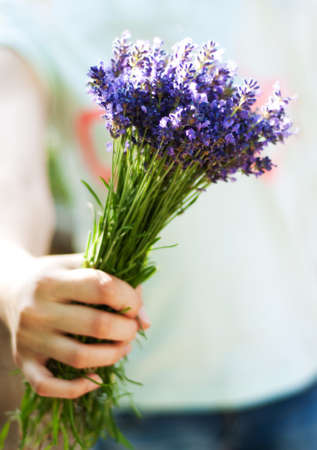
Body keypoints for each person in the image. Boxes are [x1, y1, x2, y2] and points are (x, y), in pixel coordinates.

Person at [1, 1, 317, 449]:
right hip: (133, 393)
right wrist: (12, 273)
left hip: (296, 373)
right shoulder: (38, 13)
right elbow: (14, 180)